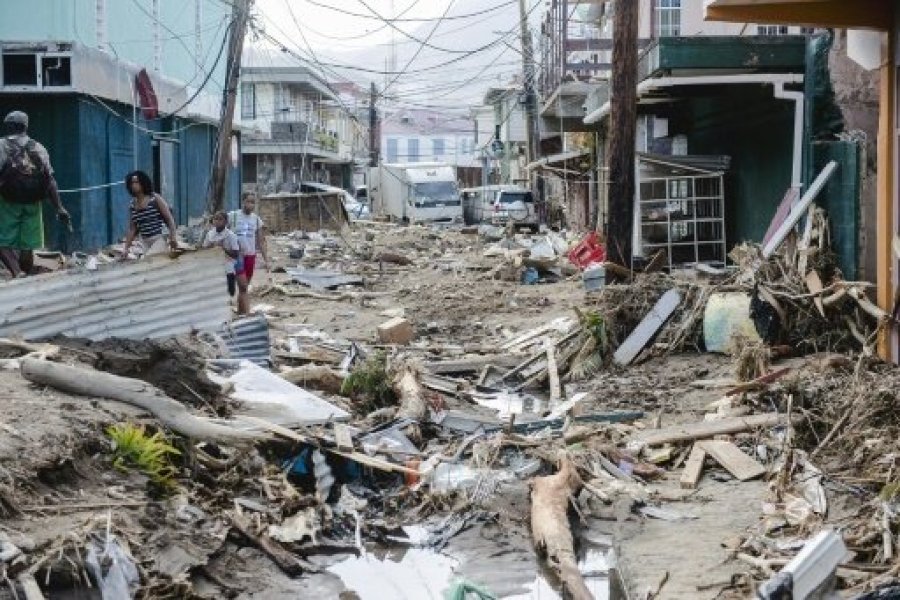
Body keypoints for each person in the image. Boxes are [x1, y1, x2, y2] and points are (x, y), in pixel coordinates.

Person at [0, 111, 71, 277]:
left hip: (7, 202)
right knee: (28, 245)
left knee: (2, 242)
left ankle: (17, 273)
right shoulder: (39, 147)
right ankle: (24, 275)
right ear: (26, 127)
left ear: (9, 126)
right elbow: (50, 180)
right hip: (33, 202)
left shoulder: (2, 146)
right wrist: (59, 207)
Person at [121, 170, 179, 258]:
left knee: (150, 259)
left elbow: (169, 218)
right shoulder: (132, 205)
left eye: (137, 182)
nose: (134, 185)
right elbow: (132, 229)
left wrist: (173, 236)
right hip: (145, 241)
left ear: (143, 183)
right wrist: (126, 248)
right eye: (132, 183)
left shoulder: (155, 198)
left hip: (159, 239)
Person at [203, 211, 249, 315]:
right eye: (215, 219)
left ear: (225, 222)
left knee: (232, 285)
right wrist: (210, 247)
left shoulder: (230, 235)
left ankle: (233, 298)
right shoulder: (210, 234)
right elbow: (204, 249)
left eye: (220, 219)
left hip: (229, 261)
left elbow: (236, 253)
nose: (217, 221)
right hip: (214, 263)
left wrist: (223, 248)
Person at [228, 192, 268, 284]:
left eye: (253, 202)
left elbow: (261, 241)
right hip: (236, 256)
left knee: (246, 284)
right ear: (243, 202)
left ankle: (240, 297)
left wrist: (266, 260)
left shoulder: (256, 219)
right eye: (248, 201)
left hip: (250, 256)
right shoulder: (232, 216)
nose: (251, 204)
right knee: (240, 283)